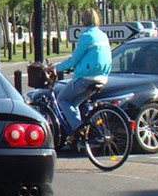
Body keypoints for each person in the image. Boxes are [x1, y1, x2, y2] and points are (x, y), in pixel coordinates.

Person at [48, 8, 112, 139]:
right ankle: (80, 133)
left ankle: (78, 127)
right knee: (74, 103)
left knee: (62, 99)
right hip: (102, 77)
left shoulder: (86, 36)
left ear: (83, 20)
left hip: (86, 78)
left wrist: (56, 68)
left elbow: (73, 60)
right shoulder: (103, 35)